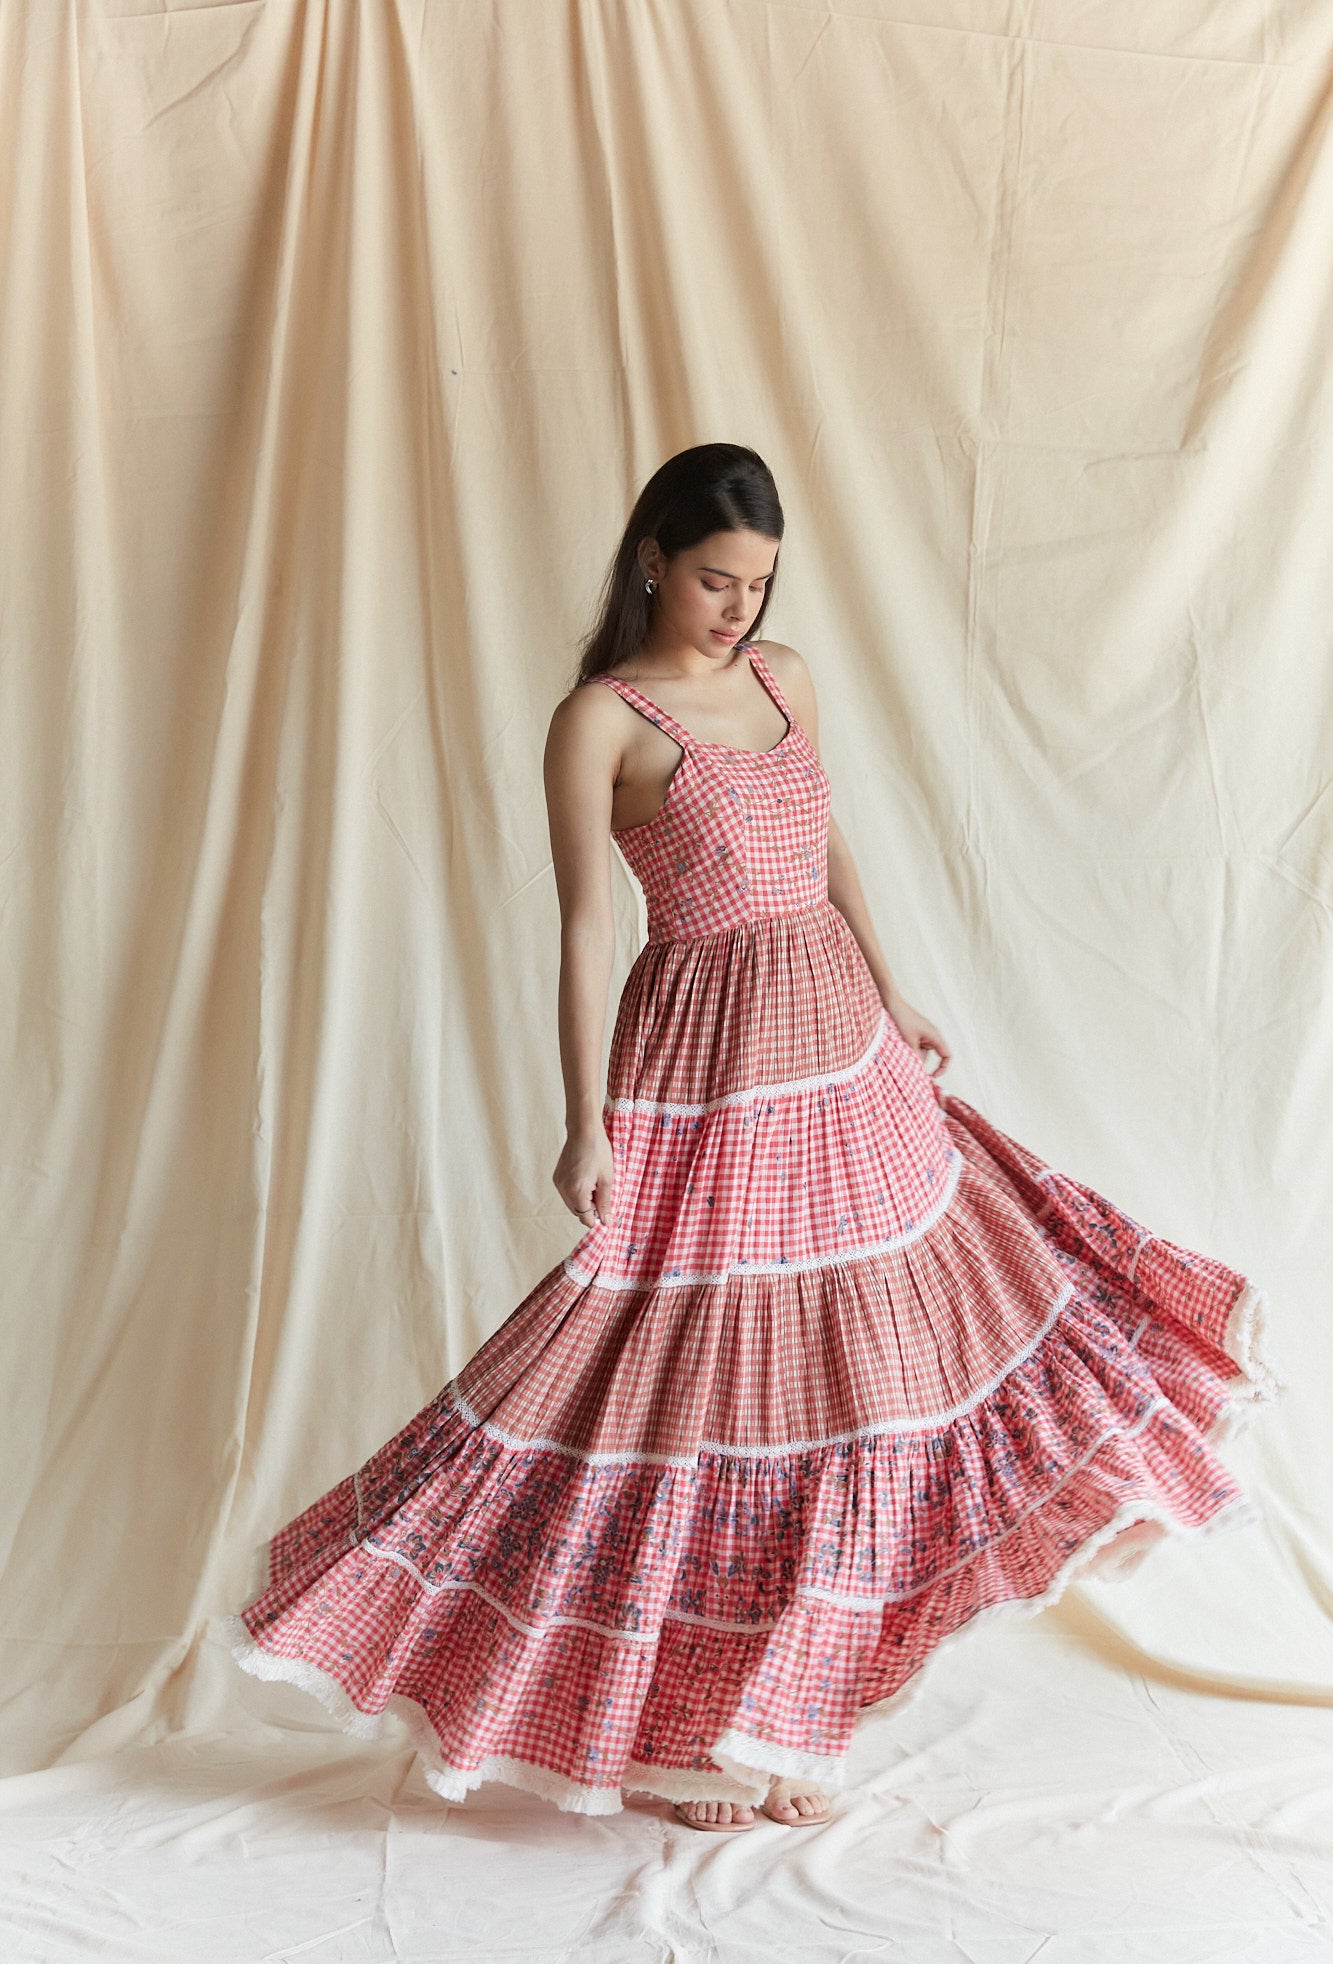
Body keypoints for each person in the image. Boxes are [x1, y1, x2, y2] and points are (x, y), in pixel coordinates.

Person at [215, 442, 1282, 1834]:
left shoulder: (788, 679)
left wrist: (890, 984)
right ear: (652, 555)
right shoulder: (597, 719)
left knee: (871, 1370)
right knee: (699, 1382)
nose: (735, 608)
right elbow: (586, 929)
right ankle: (678, 1736)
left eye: (758, 584)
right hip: (704, 1058)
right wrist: (579, 1117)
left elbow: (825, 843)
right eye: (715, 578)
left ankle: (787, 1719)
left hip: (835, 1041)